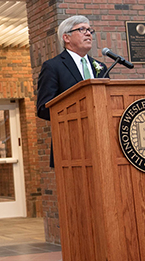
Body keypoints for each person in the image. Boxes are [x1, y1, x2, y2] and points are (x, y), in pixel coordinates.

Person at [36, 15, 108, 168]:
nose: (88, 33)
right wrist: (75, 115)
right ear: (66, 38)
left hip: (103, 143)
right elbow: (43, 108)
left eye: (90, 30)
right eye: (82, 29)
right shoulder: (53, 67)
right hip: (70, 143)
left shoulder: (100, 67)